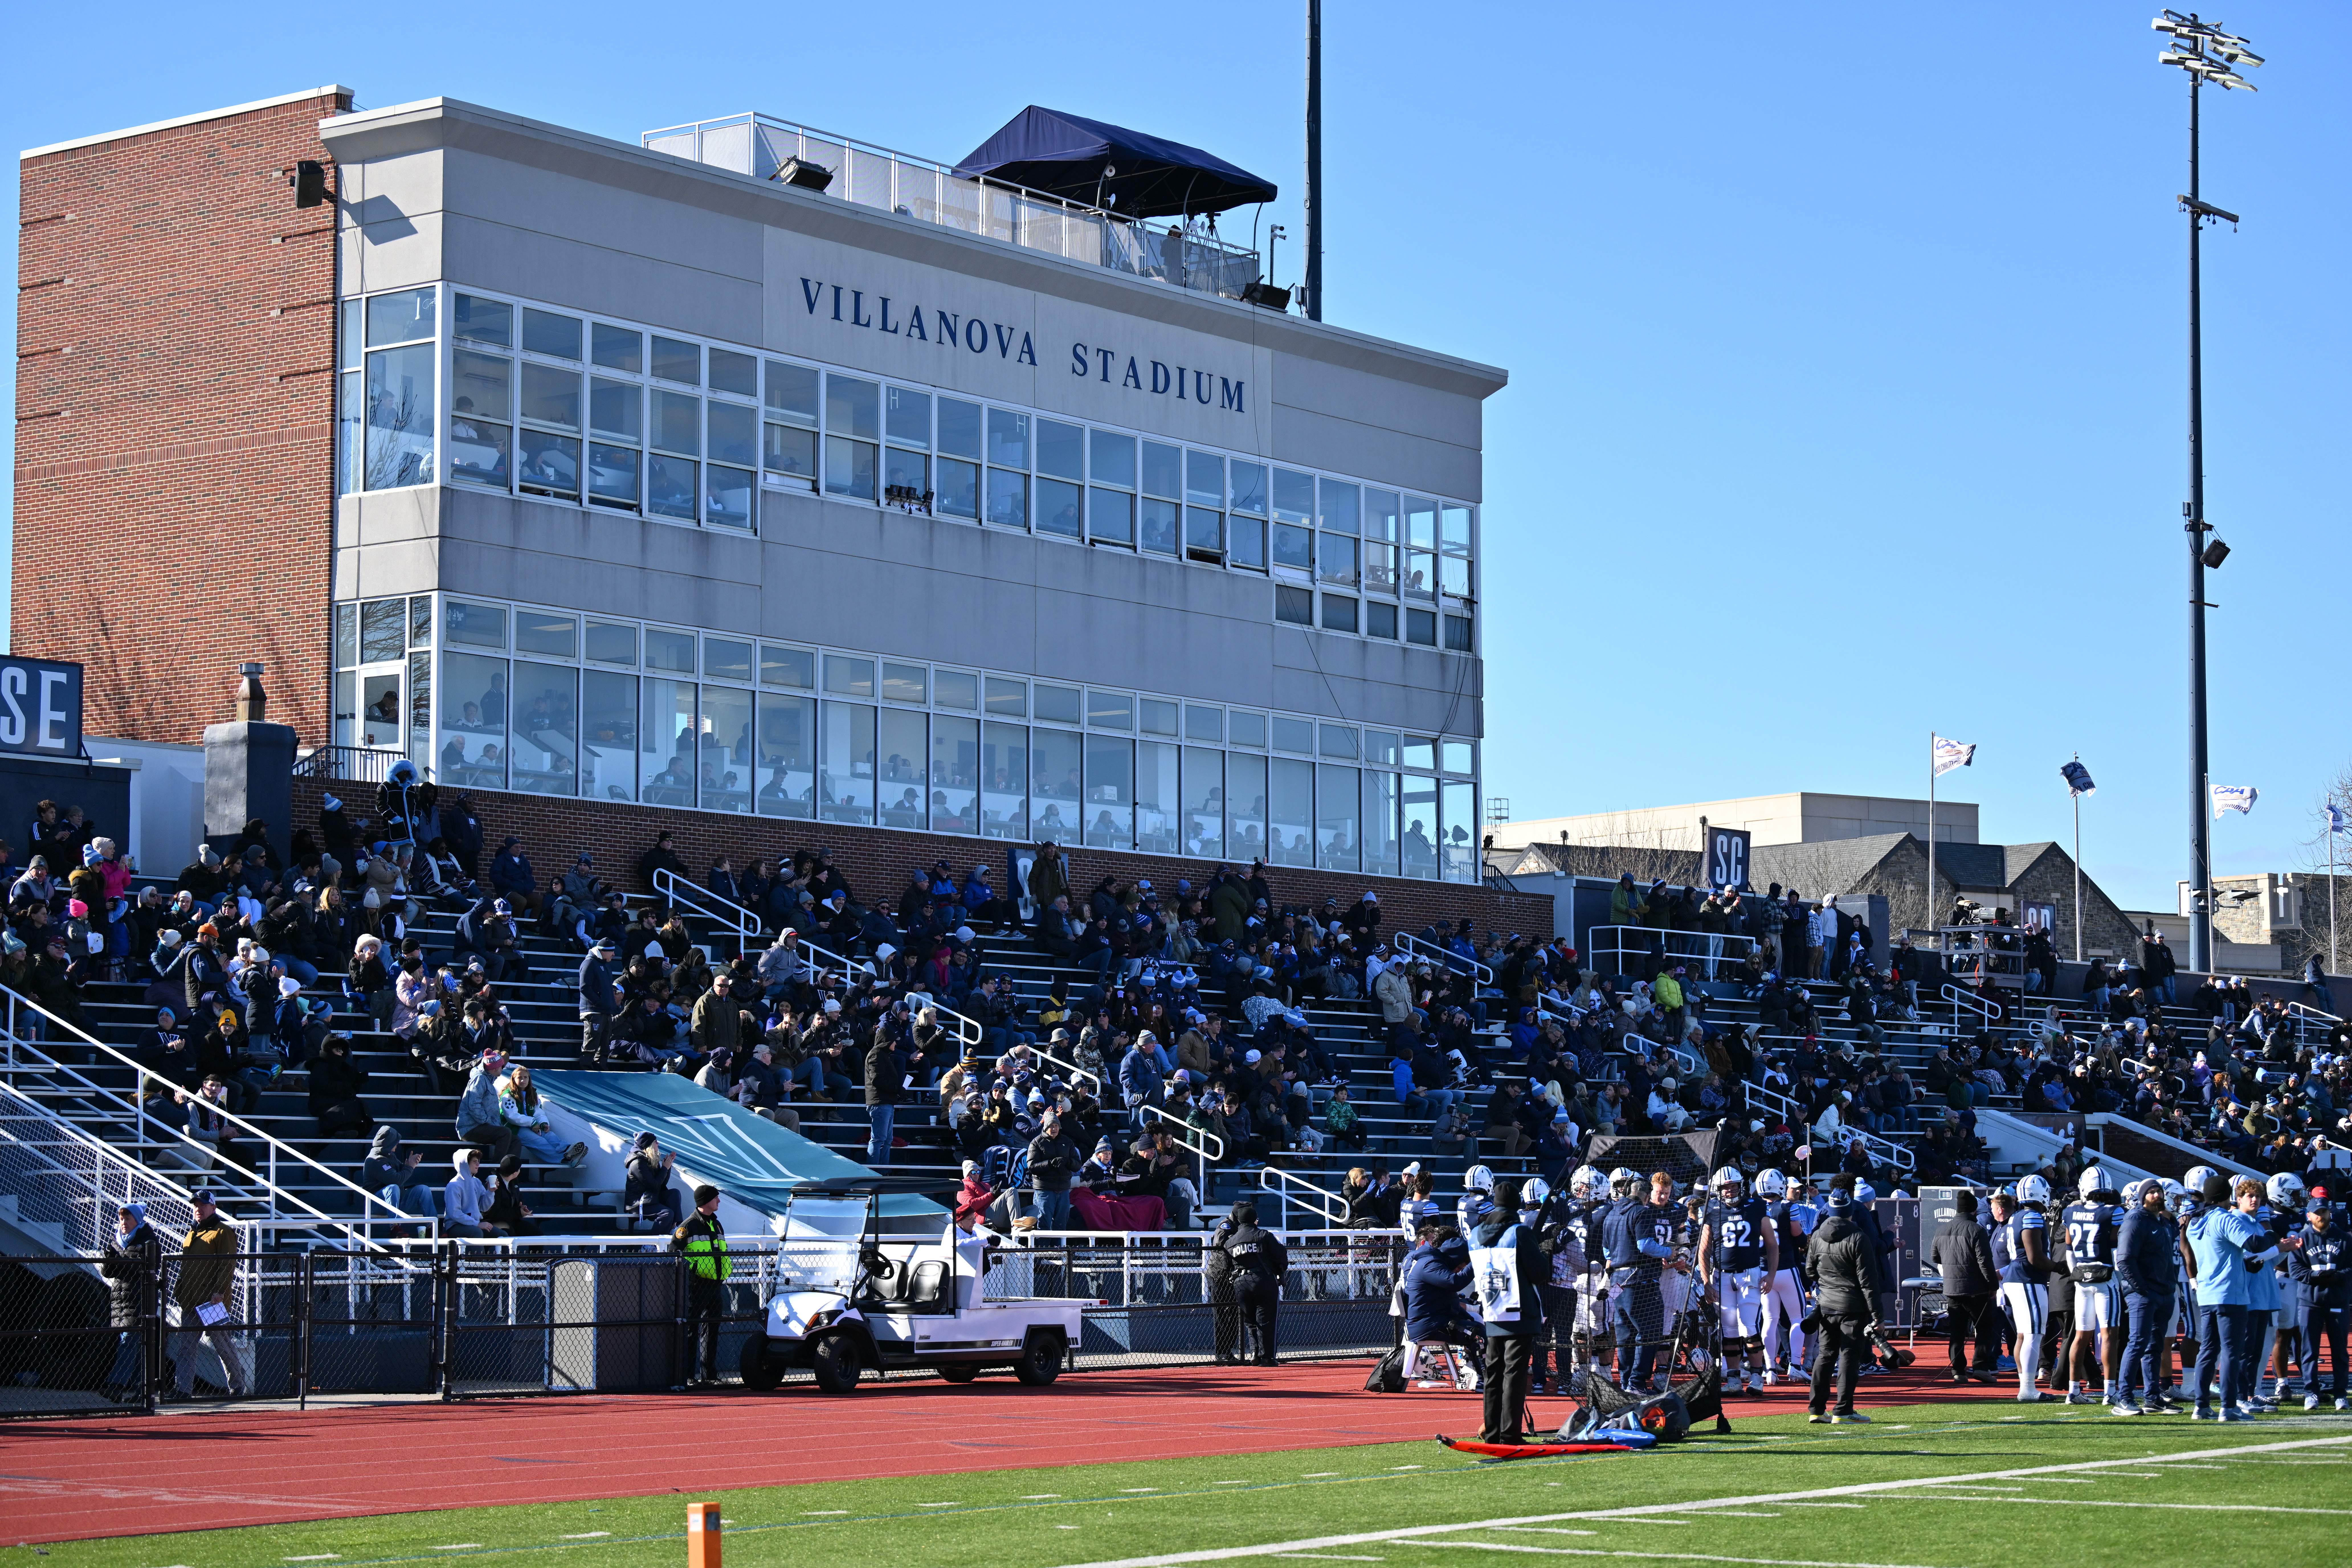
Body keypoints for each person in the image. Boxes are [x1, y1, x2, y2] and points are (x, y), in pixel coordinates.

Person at [2186, 1175, 2292, 1421]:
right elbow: (2254, 1244)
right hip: (2230, 1292)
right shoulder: (2223, 1218)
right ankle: (2229, 1406)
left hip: (2207, 1292)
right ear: (2229, 1197)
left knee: (2209, 1351)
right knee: (2233, 1351)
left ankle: (2201, 1406)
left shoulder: (2195, 1221)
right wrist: (2275, 1240)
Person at [1471, 1176, 1549, 1442]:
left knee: (1493, 1373)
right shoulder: (1519, 1232)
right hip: (1520, 1309)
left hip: (1492, 1309)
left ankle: (1492, 1432)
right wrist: (1544, 1252)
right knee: (1514, 1374)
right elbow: (1540, 1273)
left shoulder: (1475, 1235)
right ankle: (1510, 1433)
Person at [1804, 1179, 1883, 1423]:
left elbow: (1809, 1271)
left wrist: (1827, 1285)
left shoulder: (1817, 1235)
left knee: (1825, 1355)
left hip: (1826, 1305)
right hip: (1853, 1307)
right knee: (1849, 1355)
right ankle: (1844, 1410)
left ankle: (1817, 1410)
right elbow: (1868, 1281)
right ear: (1850, 1211)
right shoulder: (1859, 1238)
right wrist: (1878, 1315)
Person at [1698, 1165, 1779, 1394]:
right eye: (1726, 1187)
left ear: (1740, 1186)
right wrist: (1706, 1282)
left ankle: (1757, 1377)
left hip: (1749, 1274)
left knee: (1748, 1325)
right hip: (1722, 1276)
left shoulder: (1755, 1207)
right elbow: (1704, 1250)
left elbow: (1772, 1245)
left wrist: (1770, 1275)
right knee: (1729, 1329)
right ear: (1718, 1190)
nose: (1731, 1191)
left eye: (1734, 1186)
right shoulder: (1712, 1209)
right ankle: (1733, 1379)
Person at [166, 1191, 252, 1400]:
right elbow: (186, 1266)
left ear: (213, 1208)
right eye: (196, 1205)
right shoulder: (192, 1233)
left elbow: (228, 1263)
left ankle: (238, 1386)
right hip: (190, 1299)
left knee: (223, 1345)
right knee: (186, 1346)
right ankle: (183, 1390)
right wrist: (180, 1289)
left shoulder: (223, 1232)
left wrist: (220, 1292)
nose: (198, 1209)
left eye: (203, 1205)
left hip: (212, 1302)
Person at [2058, 1166, 2128, 1408]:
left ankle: (2074, 1390)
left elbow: (2069, 1250)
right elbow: (2116, 1250)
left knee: (2081, 1335)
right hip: (2105, 1279)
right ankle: (2110, 1391)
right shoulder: (2114, 1212)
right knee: (2110, 1334)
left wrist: (2076, 1275)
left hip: (2082, 1279)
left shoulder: (2071, 1212)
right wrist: (2123, 1280)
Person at [2117, 1177, 2182, 1414]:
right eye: (2152, 1192)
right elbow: (2124, 1259)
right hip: (2144, 1294)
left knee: (2155, 1346)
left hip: (2164, 1291)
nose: (2157, 1195)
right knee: (2137, 1343)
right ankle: (2123, 1396)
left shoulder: (2164, 1221)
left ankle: (2152, 1396)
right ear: (2142, 1197)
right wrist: (2141, 1289)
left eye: (2159, 1192)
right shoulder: (2136, 1219)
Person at [1928, 1189, 2002, 1385]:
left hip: (1952, 1288)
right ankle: (1981, 1367)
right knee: (1985, 1328)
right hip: (1976, 1289)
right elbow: (1985, 1262)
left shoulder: (1942, 1229)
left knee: (1957, 1331)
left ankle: (1958, 1370)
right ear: (1974, 1211)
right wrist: (1993, 1285)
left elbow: (1935, 1257)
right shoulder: (1977, 1230)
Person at [1993, 1177, 2057, 1402]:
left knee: (2023, 1334)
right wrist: (2060, 1268)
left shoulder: (2016, 1216)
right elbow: (2035, 1257)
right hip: (2027, 1278)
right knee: (2034, 1333)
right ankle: (2029, 1389)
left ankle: (2025, 1386)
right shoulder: (2032, 1216)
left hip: (2015, 1277)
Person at [2290, 1197, 2348, 1410]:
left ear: (2329, 1214)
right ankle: (2311, 1393)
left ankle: (2340, 1393)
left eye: (2324, 1212)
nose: (2321, 1216)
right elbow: (2295, 1270)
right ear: (2309, 1216)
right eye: (2317, 1213)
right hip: (2309, 1302)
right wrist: (2317, 1277)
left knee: (2340, 1350)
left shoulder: (2343, 1239)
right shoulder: (2301, 1240)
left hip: (2337, 1301)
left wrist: (2335, 1277)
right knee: (2309, 1350)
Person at [1213, 1199, 1288, 1366]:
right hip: (1263, 1280)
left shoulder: (1231, 1241)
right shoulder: (1264, 1235)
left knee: (1250, 1321)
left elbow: (1225, 1260)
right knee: (1266, 1320)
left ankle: (1255, 1353)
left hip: (1240, 1282)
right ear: (1254, 1219)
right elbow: (1281, 1255)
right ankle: (1267, 1357)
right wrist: (1279, 1270)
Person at [100, 1202, 160, 1401]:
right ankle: (141, 1390)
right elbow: (107, 1272)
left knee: (129, 1343)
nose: (124, 1223)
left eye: (128, 1219)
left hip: (141, 1301)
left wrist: (119, 1264)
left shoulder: (148, 1240)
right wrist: (110, 1261)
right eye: (122, 1219)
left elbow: (145, 1269)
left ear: (138, 1220)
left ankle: (115, 1386)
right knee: (134, 1346)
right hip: (121, 1301)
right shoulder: (116, 1241)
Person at [672, 1184, 730, 1386]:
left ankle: (710, 1377)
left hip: (715, 1286)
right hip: (695, 1287)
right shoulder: (687, 1227)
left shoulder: (717, 1224)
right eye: (716, 1198)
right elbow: (675, 1257)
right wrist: (691, 1277)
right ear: (706, 1202)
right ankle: (688, 1376)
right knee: (691, 1331)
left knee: (712, 1331)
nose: (719, 1201)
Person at [1756, 1168, 1809, 1385]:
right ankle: (1795, 1366)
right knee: (1798, 1318)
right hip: (1786, 1268)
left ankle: (1770, 1368)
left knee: (1769, 1319)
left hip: (1763, 1271)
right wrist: (1807, 1244)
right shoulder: (1789, 1207)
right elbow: (1798, 1235)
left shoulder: (1753, 1208)